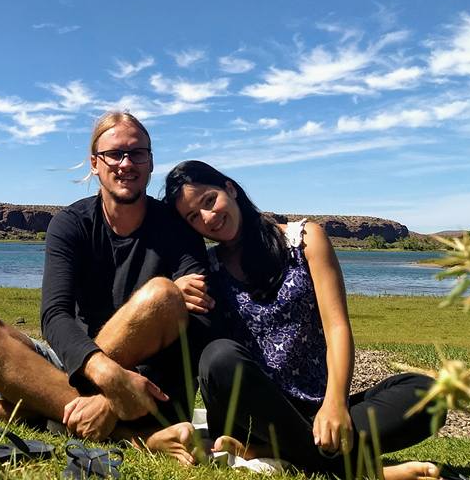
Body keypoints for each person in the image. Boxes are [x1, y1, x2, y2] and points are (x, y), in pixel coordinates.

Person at [146, 160, 442, 480]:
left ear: (230, 189)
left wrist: (335, 404)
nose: (208, 217)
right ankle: (364, 472)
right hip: (251, 418)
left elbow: (337, 327)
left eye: (209, 201)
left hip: (316, 410)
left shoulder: (304, 240)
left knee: (428, 393)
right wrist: (175, 291)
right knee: (218, 357)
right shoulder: (209, 268)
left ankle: (274, 452)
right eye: (193, 217)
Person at [0, 112, 210, 441]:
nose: (126, 163)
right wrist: (109, 380)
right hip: (81, 367)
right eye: (114, 154)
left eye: (137, 153)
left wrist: (116, 393)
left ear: (151, 162)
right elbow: (55, 315)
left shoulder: (179, 230)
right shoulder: (70, 225)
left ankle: (38, 411)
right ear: (94, 163)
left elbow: (198, 317)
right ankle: (124, 432)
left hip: (154, 383)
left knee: (161, 295)